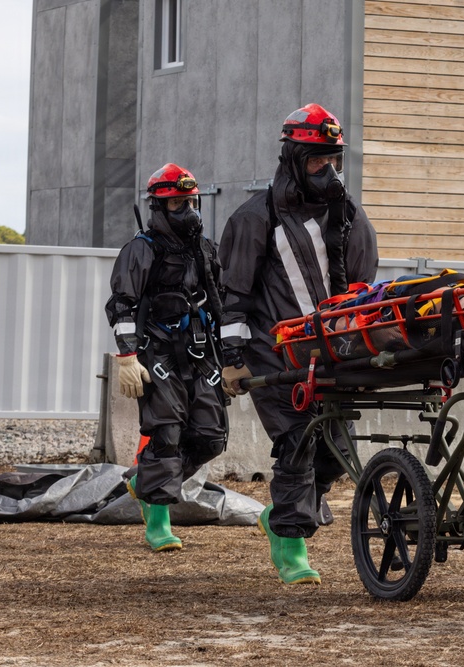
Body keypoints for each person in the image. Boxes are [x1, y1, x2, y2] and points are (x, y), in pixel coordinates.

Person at [217, 103, 379, 584]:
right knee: (297, 441)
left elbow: (364, 286)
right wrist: (231, 359)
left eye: (334, 160)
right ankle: (291, 543)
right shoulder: (254, 218)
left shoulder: (347, 214)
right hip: (275, 352)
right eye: (316, 160)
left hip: (334, 351)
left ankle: (285, 515)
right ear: (293, 157)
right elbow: (234, 297)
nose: (327, 170)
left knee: (335, 447)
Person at [105, 163, 231, 552]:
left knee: (212, 437)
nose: (187, 210)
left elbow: (224, 303)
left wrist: (232, 357)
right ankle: (158, 520)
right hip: (157, 350)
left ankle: (145, 481)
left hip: (201, 351)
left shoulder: (206, 249)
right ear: (159, 207)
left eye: (190, 202)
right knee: (167, 432)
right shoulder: (141, 249)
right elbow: (121, 304)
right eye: (177, 203)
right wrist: (128, 357)